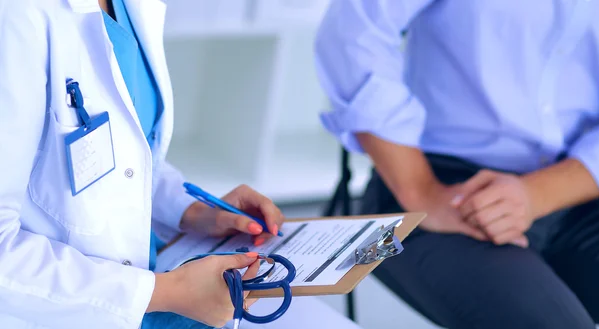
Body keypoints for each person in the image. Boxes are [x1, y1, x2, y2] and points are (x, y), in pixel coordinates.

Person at [0, 1, 363, 329]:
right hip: (72, 308)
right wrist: (163, 293)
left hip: (163, 277)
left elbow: (123, 155)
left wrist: (191, 210)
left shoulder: (130, 7)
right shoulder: (16, 17)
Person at [315, 1, 599, 329]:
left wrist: (536, 195)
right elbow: (353, 31)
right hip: (442, 187)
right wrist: (419, 190)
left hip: (580, 187)